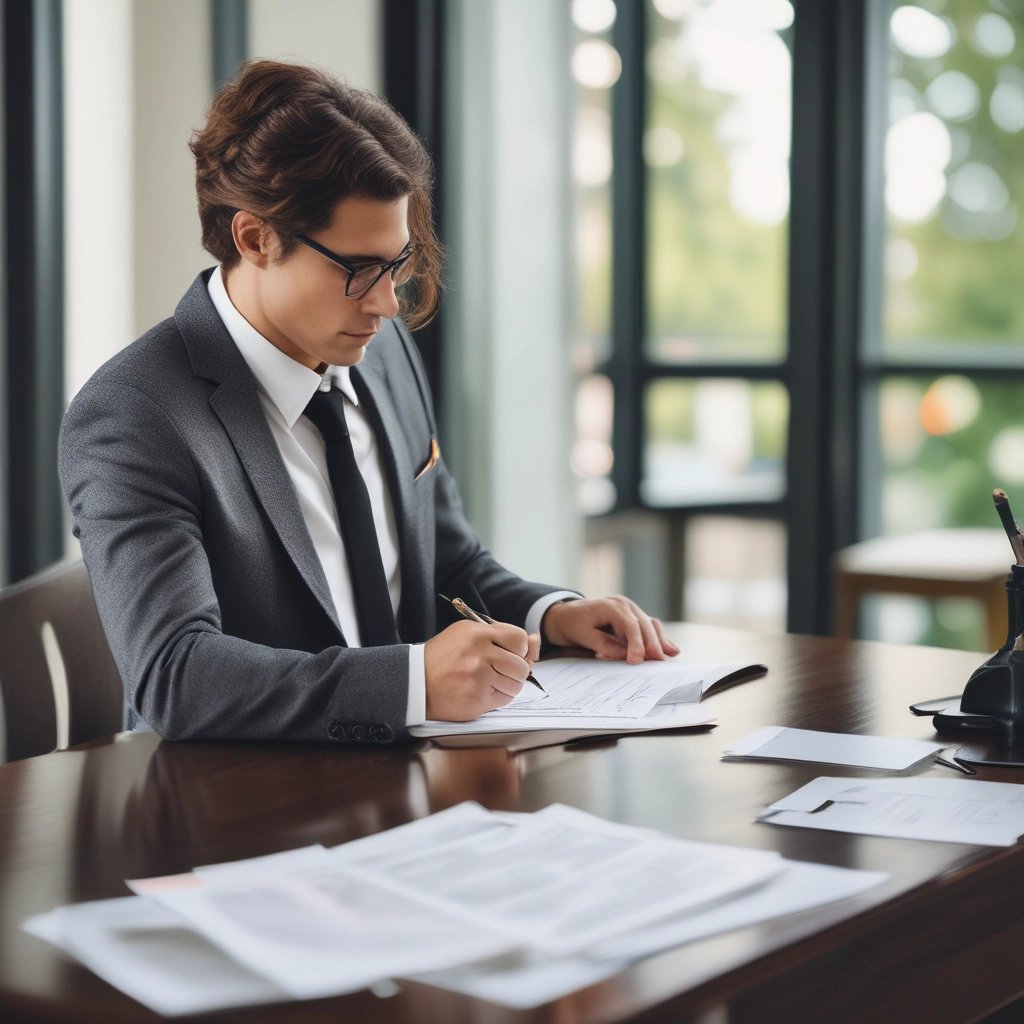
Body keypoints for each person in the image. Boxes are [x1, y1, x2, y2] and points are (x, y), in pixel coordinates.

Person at [58, 59, 679, 745]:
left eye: (397, 264)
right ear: (255, 238)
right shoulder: (133, 416)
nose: (387, 303)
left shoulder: (380, 349)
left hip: (415, 774)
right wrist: (412, 683)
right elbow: (176, 675)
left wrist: (549, 616)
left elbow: (446, 564)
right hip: (238, 793)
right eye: (358, 270)